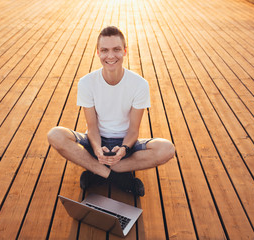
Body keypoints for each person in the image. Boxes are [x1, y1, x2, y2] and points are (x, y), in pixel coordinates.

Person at [47, 26, 175, 197]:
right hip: (95, 143)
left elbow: (133, 130)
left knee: (167, 149)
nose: (111, 56)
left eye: (116, 49)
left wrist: (123, 149)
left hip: (125, 147)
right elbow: (92, 128)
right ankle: (115, 177)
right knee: (55, 135)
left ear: (125, 51)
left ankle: (98, 171)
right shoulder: (86, 83)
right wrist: (98, 149)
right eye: (104, 50)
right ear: (98, 53)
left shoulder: (139, 84)